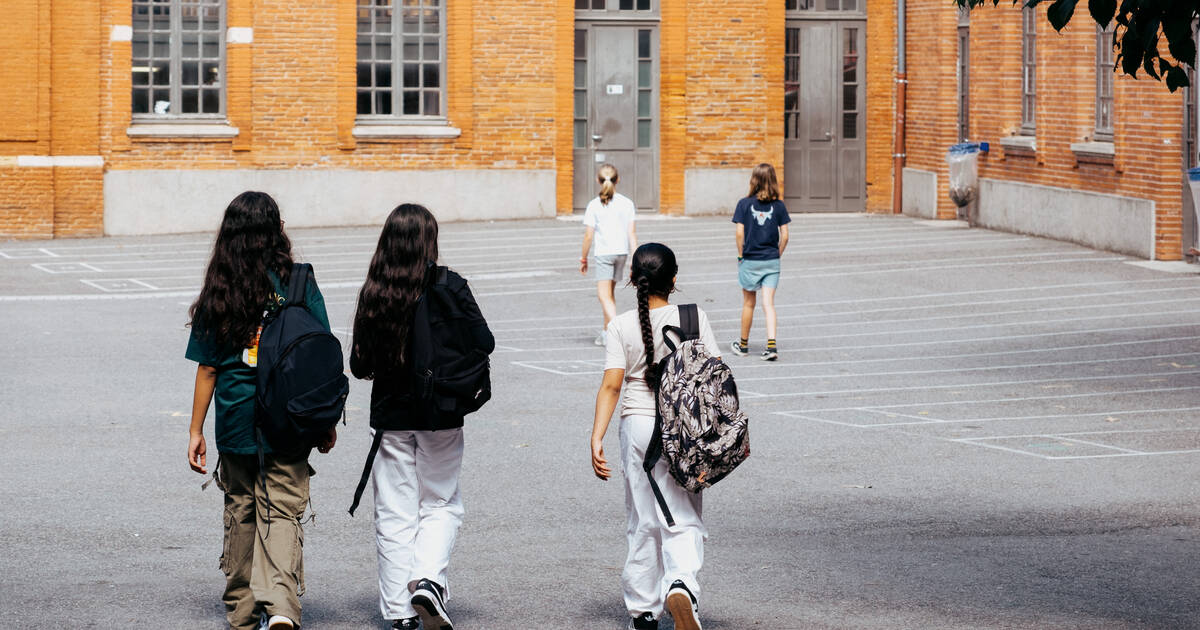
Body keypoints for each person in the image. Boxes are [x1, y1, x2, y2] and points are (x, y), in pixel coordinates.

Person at [185, 191, 336, 630]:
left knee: (241, 507)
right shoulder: (299, 282)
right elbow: (319, 356)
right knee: (283, 509)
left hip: (235, 417)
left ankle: (243, 609)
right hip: (289, 417)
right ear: (277, 230)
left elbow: (209, 368)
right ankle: (283, 608)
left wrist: (195, 430)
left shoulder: (221, 288)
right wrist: (324, 422)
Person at [349, 204, 494, 630]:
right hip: (443, 412)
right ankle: (428, 580)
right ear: (430, 240)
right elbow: (484, 340)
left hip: (391, 414)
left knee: (395, 513)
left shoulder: (376, 290)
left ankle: (398, 613)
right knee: (442, 502)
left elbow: (359, 365)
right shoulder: (451, 285)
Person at [589, 243, 720, 630]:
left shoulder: (621, 325)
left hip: (638, 424)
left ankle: (644, 611)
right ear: (674, 280)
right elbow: (715, 373)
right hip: (685, 427)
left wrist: (596, 437)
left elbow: (612, 385)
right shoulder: (694, 317)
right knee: (683, 513)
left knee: (643, 518)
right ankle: (681, 585)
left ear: (632, 280)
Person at [730, 163, 791, 361]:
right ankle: (771, 346)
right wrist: (778, 253)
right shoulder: (779, 206)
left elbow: (739, 233)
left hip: (750, 259)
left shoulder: (744, 204)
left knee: (749, 303)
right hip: (771, 260)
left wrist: (741, 255)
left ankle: (743, 345)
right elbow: (786, 235)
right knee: (769, 304)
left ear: (753, 180)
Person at [580, 163, 638, 346]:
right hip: (621, 253)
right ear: (617, 179)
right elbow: (632, 234)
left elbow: (589, 236)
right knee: (610, 295)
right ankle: (606, 332)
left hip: (605, 254)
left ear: (598, 180)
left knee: (603, 296)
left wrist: (583, 257)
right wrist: (634, 259)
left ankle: (618, 331)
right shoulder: (627, 203)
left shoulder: (594, 205)